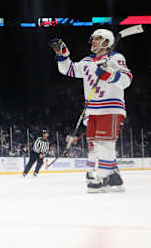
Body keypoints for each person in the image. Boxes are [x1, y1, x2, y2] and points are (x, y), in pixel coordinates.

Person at [51, 29, 132, 193]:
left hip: (110, 107)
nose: (93, 42)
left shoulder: (116, 58)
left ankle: (103, 178)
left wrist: (109, 74)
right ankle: (114, 178)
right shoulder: (87, 61)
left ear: (107, 41)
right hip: (92, 110)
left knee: (105, 144)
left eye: (97, 39)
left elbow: (126, 79)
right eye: (93, 39)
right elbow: (69, 70)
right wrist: (63, 55)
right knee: (96, 145)